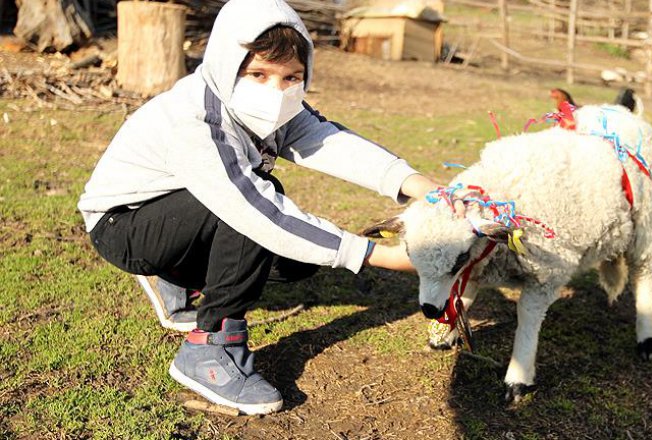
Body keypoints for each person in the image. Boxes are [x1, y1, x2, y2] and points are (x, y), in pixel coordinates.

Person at [78, 0, 444, 415]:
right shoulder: (198, 120)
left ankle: (178, 275)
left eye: (292, 77)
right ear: (227, 66)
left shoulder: (278, 105)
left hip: (180, 214)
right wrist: (379, 256)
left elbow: (329, 142)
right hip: (124, 225)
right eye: (258, 74)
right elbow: (252, 207)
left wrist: (418, 185)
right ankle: (209, 346)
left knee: (296, 263)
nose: (277, 90)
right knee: (253, 204)